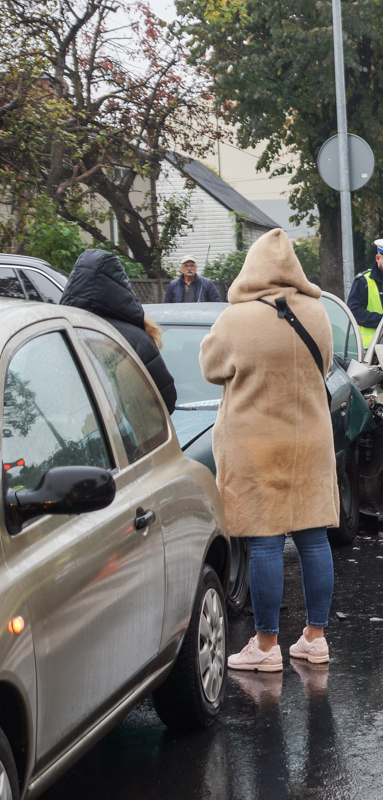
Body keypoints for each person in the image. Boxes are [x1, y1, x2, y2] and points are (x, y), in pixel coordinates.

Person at [200, 229, 338, 672]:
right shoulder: (316, 312)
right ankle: (315, 638)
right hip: (309, 440)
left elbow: (210, 367)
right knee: (314, 538)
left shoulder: (234, 320)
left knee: (265, 544)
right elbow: (328, 363)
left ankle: (265, 646)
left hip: (255, 443)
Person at [59, 249, 177, 413]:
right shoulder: (137, 340)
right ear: (118, 287)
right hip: (124, 433)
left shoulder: (57, 333)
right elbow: (165, 400)